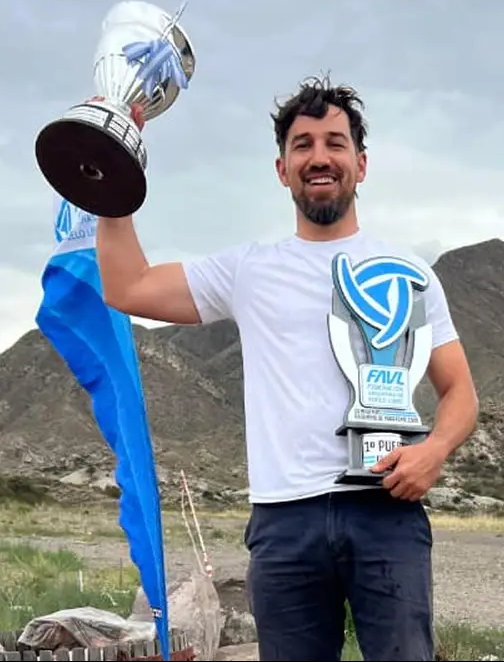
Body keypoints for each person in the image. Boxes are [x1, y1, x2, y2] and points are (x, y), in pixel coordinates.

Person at [94, 74, 479, 661]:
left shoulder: (409, 274)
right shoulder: (249, 271)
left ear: (361, 164)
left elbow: (460, 393)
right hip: (284, 521)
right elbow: (128, 286)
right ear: (282, 169)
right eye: (303, 145)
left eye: (335, 143)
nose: (319, 157)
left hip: (386, 513)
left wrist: (434, 451)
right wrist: (110, 170)